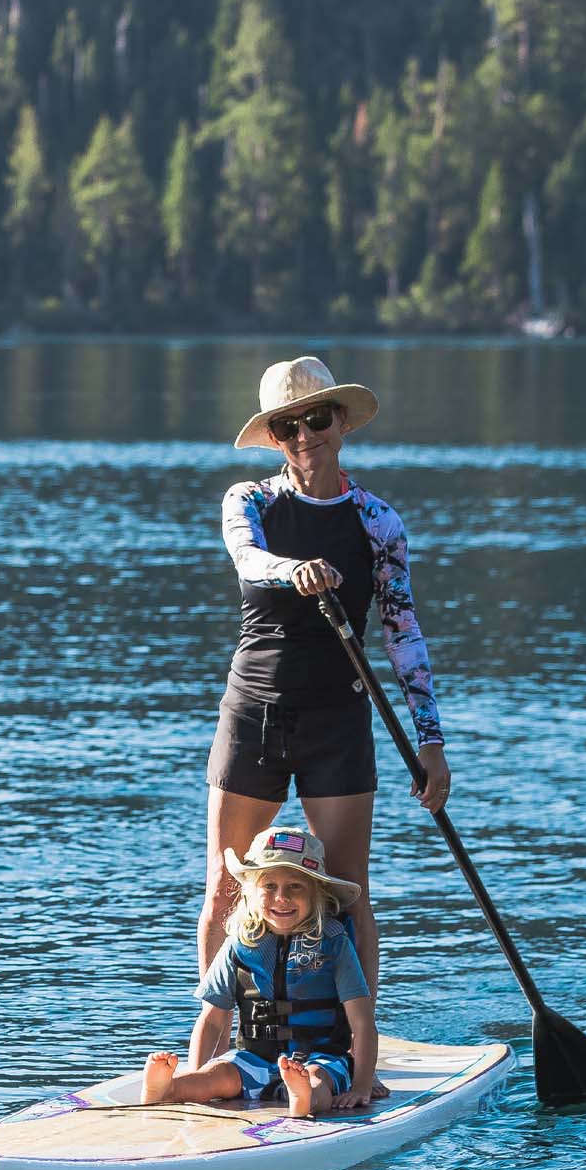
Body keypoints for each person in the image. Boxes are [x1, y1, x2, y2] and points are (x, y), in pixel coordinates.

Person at [203, 355, 449, 1008]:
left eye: (316, 419)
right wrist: (294, 571)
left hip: (339, 723)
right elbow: (249, 560)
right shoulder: (248, 501)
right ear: (275, 437)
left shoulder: (377, 523)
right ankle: (212, 1045)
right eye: (287, 427)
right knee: (226, 891)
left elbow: (403, 634)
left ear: (340, 422)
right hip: (253, 713)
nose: (304, 436)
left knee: (347, 893)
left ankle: (354, 1049)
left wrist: (431, 743)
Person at [143, 826, 377, 1120]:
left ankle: (302, 1097)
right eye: (269, 886)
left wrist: (362, 1086)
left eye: (295, 886)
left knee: (318, 1081)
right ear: (251, 892)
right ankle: (169, 1089)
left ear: (317, 894)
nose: (281, 897)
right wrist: (198, 1072)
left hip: (320, 1058)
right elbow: (212, 1020)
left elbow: (362, 1021)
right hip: (254, 1059)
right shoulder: (239, 945)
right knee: (218, 1075)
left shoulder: (334, 943)